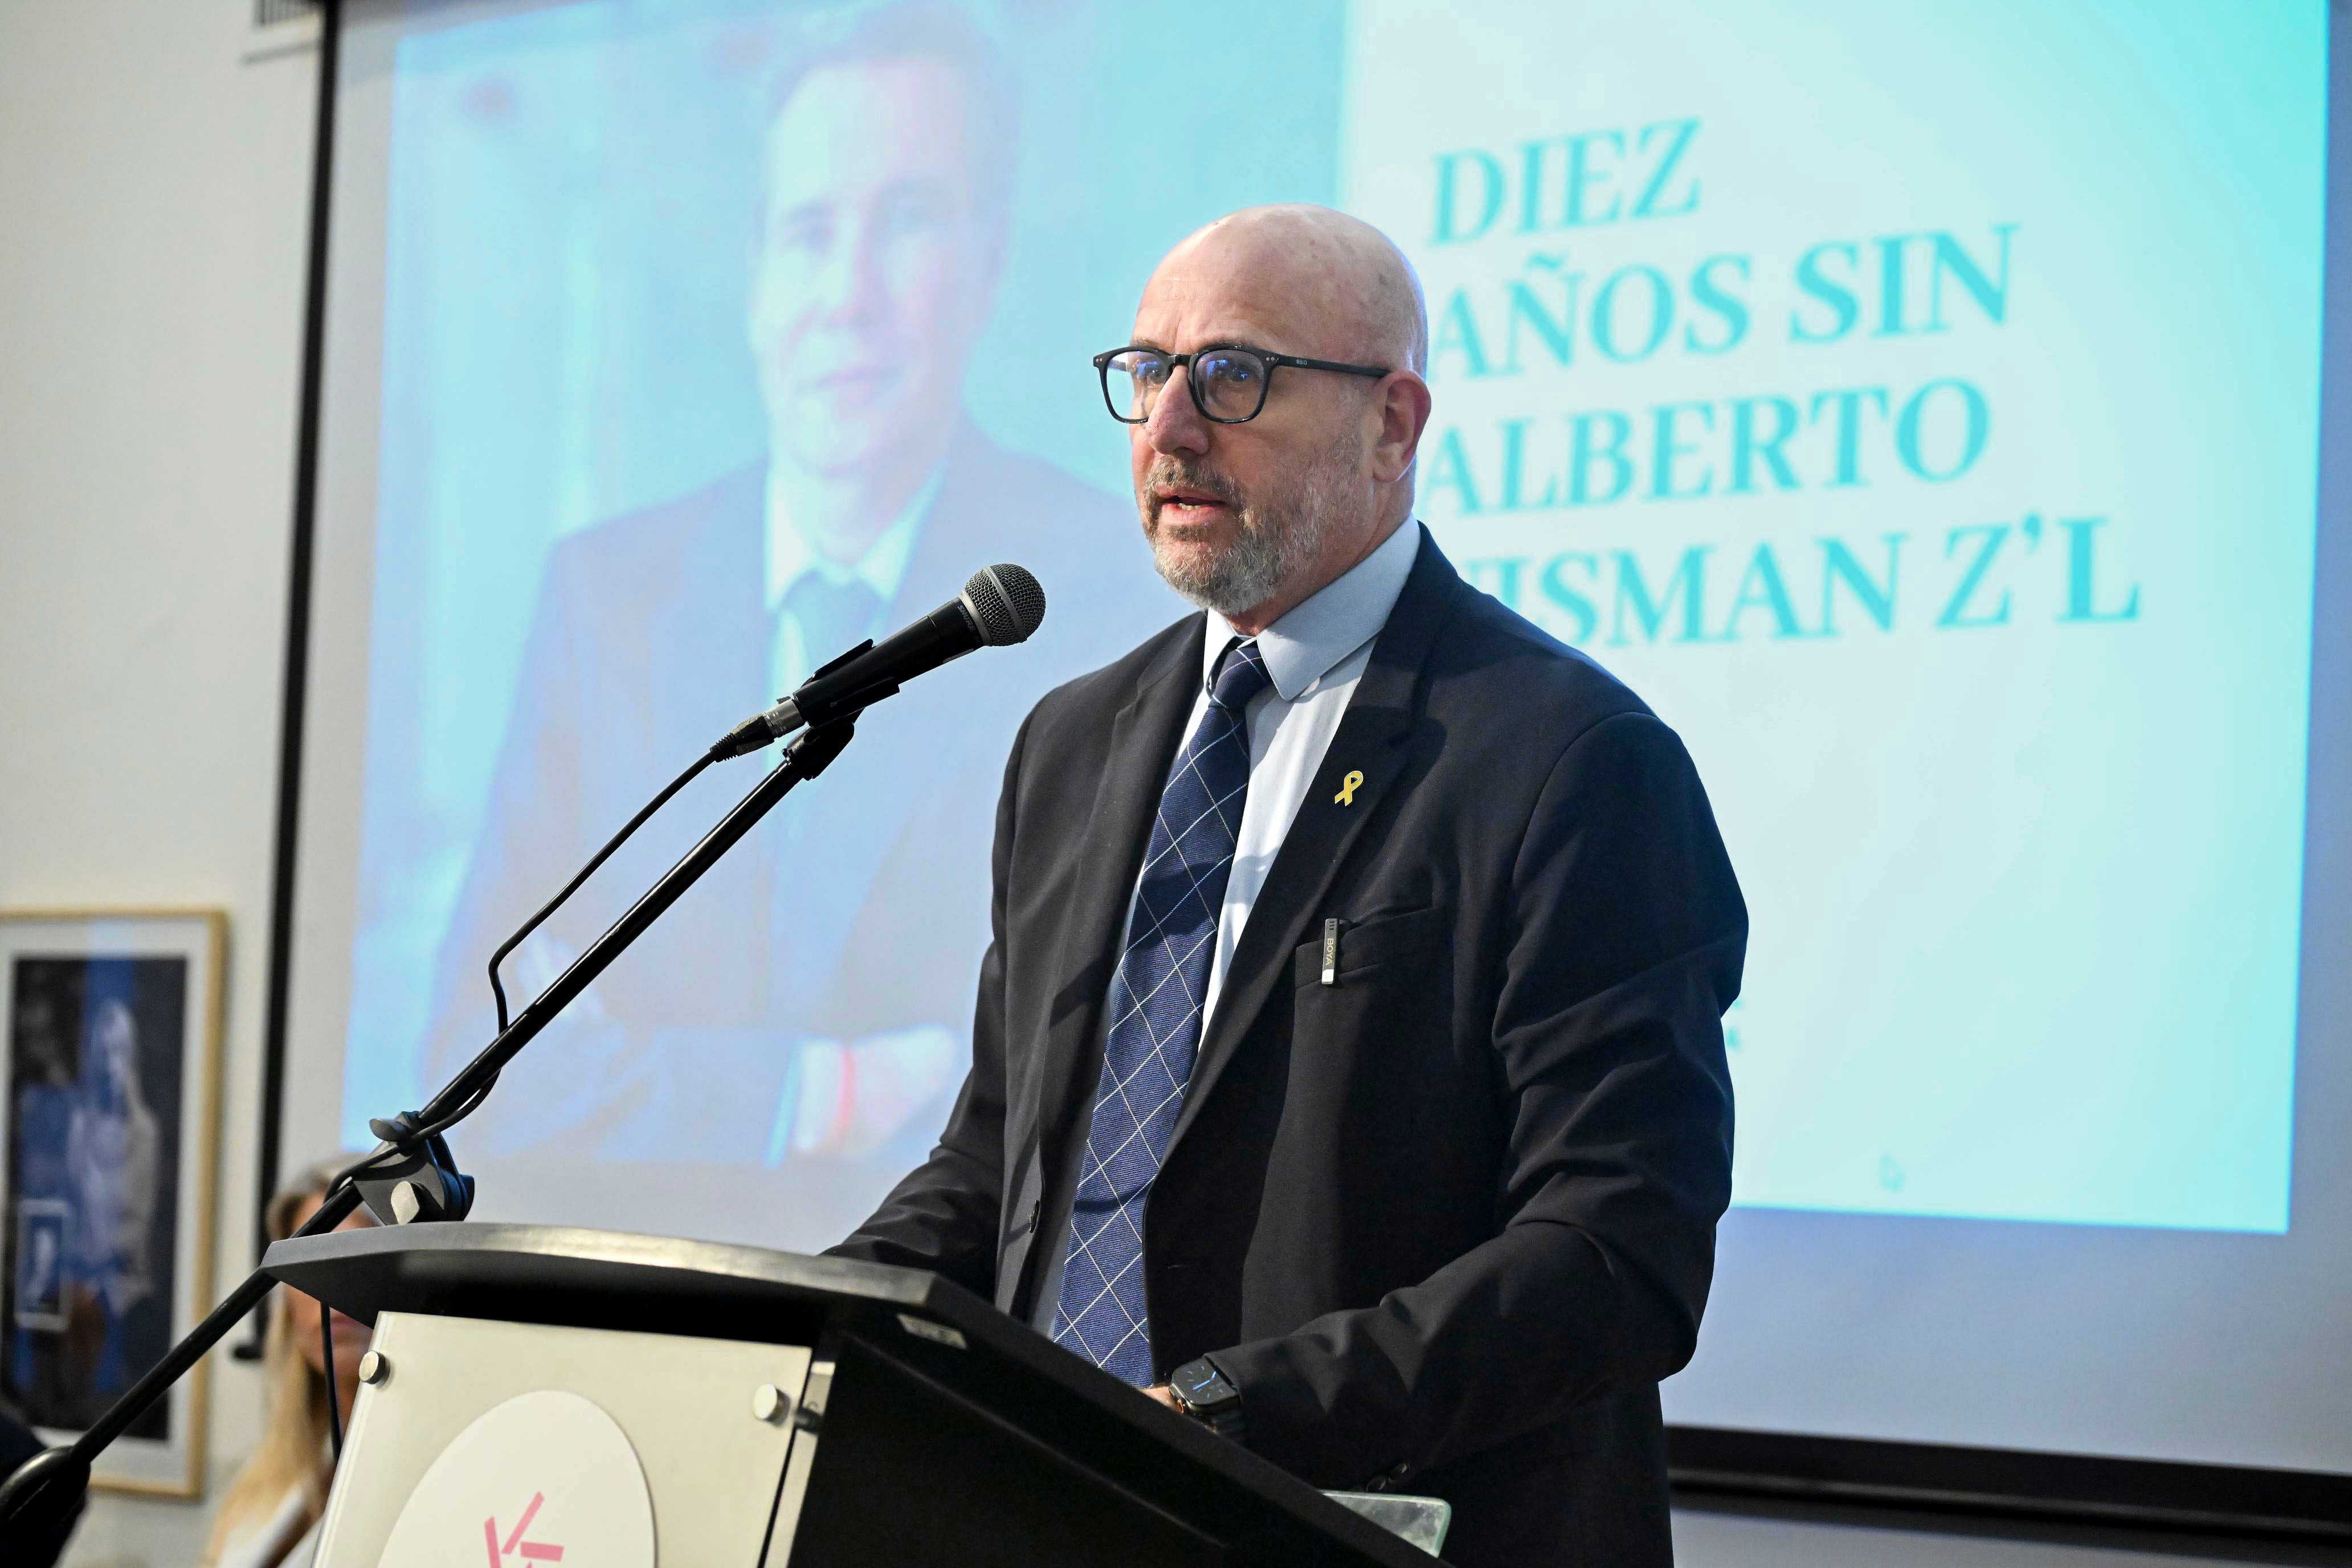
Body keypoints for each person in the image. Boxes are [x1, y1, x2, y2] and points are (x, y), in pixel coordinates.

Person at [830, 205, 1746, 1566]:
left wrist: (1214, 1415)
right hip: (1044, 1514)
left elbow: (1615, 1252)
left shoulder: (1564, 760)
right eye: (1145, 375)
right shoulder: (1074, 746)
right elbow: (998, 1166)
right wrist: (797, 1322)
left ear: (1392, 422)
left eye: (1232, 375)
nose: (1170, 429)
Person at [423, 1, 1166, 1174]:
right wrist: (833, 1087)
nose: (848, 293)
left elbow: (1085, 1063)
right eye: (810, 230)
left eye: (908, 221)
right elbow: (481, 1046)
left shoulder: (1102, 595)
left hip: (916, 1320)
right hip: (612, 1298)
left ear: (989, 263)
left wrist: (652, 1071)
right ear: (756, 274)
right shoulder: (608, 593)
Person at [201, 1164, 378, 1568]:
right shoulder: (265, 1475)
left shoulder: (448, 1472)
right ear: (289, 1311)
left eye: (359, 1258)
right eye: (312, 1268)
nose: (334, 1289)